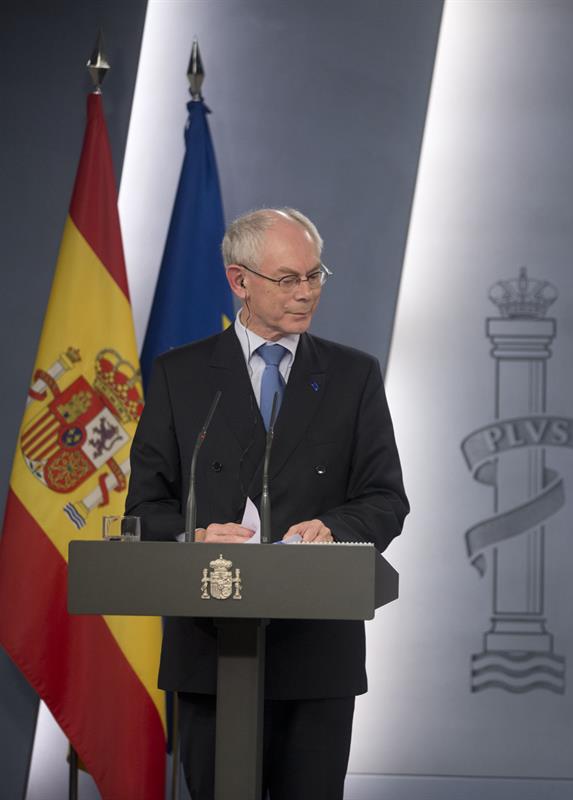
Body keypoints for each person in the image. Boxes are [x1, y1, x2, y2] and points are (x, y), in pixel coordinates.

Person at [126, 207, 409, 799]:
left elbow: (386, 499)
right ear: (239, 281)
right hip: (209, 648)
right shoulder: (181, 376)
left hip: (316, 653)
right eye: (288, 279)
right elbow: (146, 506)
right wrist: (193, 537)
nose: (306, 293)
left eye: (315, 275)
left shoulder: (353, 376)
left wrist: (333, 528)